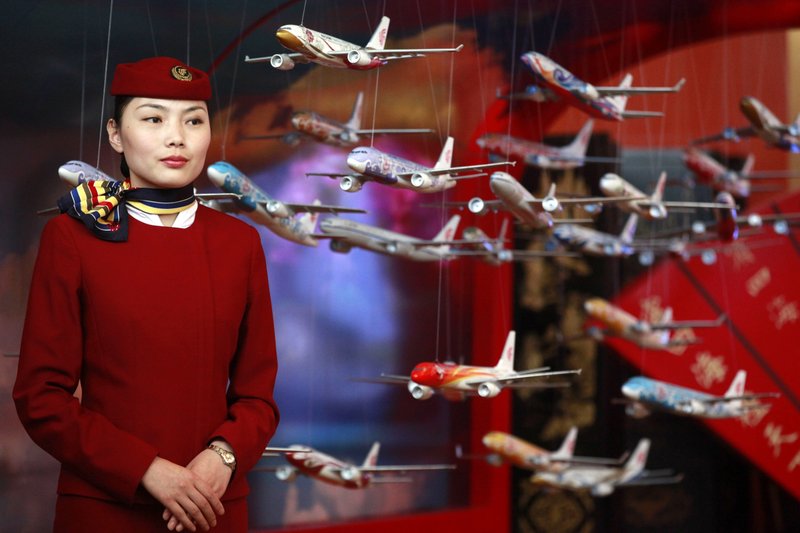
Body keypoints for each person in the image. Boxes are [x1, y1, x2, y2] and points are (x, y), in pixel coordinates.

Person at [13, 56, 279, 532]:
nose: (176, 137)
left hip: (214, 506)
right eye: (153, 118)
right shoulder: (71, 238)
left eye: (193, 121)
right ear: (116, 134)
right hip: (105, 508)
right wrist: (148, 471)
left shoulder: (240, 242)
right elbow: (41, 398)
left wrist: (222, 458)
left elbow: (258, 396)